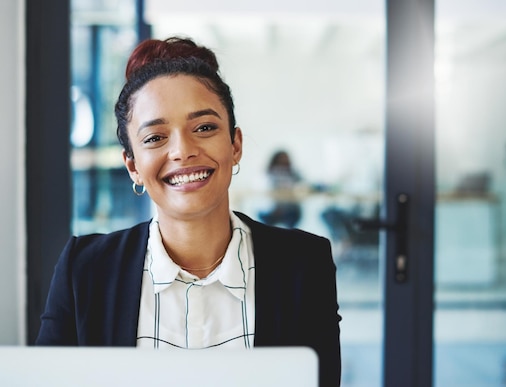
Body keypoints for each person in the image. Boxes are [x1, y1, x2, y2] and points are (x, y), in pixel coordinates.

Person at [36, 37, 341, 386]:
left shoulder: (304, 263)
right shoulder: (85, 269)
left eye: (205, 128)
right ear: (133, 165)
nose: (182, 151)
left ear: (235, 144)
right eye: (155, 138)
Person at [259, 150, 303, 228]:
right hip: (272, 209)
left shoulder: (294, 173)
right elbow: (264, 188)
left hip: (290, 209)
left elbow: (302, 185)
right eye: (281, 158)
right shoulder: (268, 173)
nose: (284, 161)